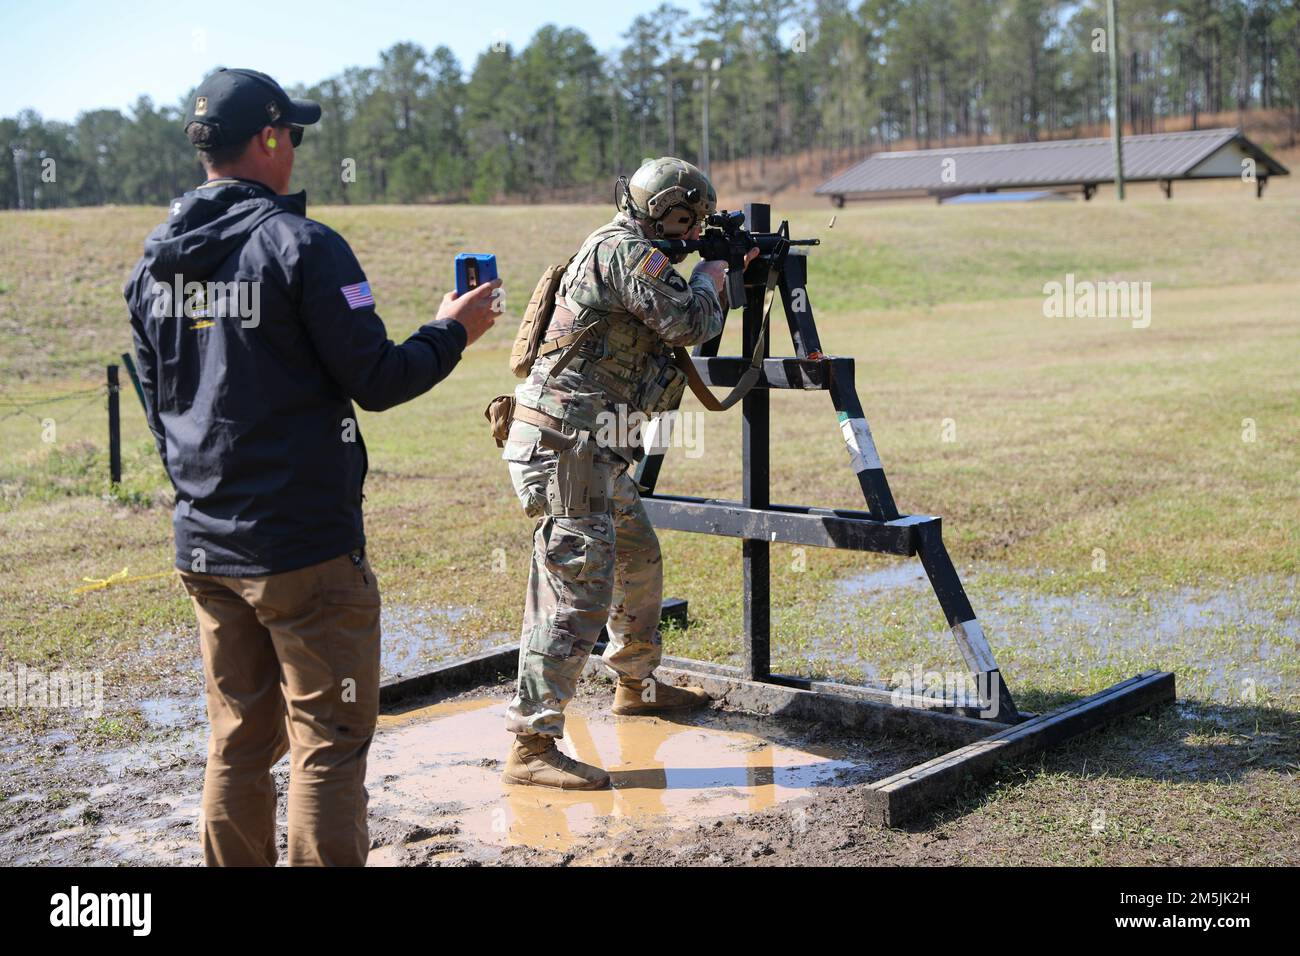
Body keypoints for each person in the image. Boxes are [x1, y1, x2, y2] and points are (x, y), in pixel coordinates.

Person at [123, 67, 500, 865]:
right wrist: (453, 332)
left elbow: (161, 415)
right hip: (304, 551)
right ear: (267, 138)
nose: (294, 147)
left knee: (238, 742)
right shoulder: (303, 246)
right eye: (290, 132)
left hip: (205, 548)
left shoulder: (153, 267)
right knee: (328, 743)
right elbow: (381, 378)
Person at [499, 157, 756, 789]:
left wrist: (710, 263)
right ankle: (531, 745)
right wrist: (716, 273)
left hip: (595, 448)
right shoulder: (625, 254)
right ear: (666, 211)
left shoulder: (638, 249)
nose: (692, 232)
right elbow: (688, 321)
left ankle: (635, 685)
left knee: (637, 560)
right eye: (687, 221)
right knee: (577, 586)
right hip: (567, 446)